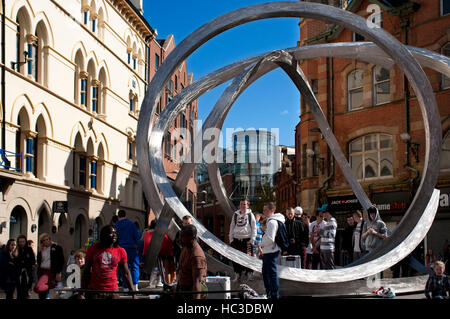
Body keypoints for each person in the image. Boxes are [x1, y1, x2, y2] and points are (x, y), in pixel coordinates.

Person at [82, 225, 136, 299]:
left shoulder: (121, 251)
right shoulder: (92, 249)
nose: (114, 235)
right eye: (111, 233)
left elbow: (126, 273)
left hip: (113, 291)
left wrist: (133, 293)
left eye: (116, 233)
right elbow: (86, 271)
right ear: (104, 235)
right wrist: (81, 292)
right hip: (95, 291)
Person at [260, 202, 285, 299]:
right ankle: (270, 294)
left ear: (272, 210)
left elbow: (270, 238)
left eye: (265, 210)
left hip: (271, 251)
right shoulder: (272, 221)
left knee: (271, 274)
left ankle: (273, 295)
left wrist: (260, 243)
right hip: (269, 251)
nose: (264, 212)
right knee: (267, 273)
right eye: (263, 210)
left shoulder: (272, 222)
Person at [176, 224, 207, 299]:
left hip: (193, 290)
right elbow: (181, 272)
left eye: (183, 236)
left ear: (192, 237)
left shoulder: (197, 256)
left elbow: (197, 282)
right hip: (184, 288)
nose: (180, 239)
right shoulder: (185, 247)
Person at [229, 200, 257, 281]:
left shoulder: (250, 215)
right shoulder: (235, 215)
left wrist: (252, 240)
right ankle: (237, 274)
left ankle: (249, 274)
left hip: (247, 240)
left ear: (248, 205)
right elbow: (232, 227)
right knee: (235, 258)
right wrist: (231, 239)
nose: (242, 206)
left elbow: (254, 228)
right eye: (241, 204)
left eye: (244, 204)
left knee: (248, 257)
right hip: (236, 240)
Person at [114, 209, 141, 291]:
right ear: (125, 216)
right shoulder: (131, 224)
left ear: (118, 216)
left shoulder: (116, 225)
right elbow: (137, 237)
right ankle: (135, 285)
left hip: (120, 249)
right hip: (131, 248)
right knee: (134, 267)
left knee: (123, 268)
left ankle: (125, 287)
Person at [143, 220, 175, 284]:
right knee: (161, 268)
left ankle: (153, 282)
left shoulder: (147, 233)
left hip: (148, 253)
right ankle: (160, 282)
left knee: (154, 269)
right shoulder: (161, 234)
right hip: (159, 253)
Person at [34, 233, 64, 299]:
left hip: (49, 271)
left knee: (37, 288)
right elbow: (39, 261)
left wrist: (58, 272)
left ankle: (54, 285)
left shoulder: (56, 247)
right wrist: (40, 249)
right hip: (41, 271)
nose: (45, 241)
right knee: (41, 292)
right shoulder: (41, 249)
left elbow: (61, 261)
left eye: (47, 239)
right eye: (43, 240)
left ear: (50, 239)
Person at [15, 235, 35, 299]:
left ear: (25, 242)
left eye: (23, 241)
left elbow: (32, 261)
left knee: (26, 293)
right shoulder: (17, 249)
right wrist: (22, 262)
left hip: (27, 274)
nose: (21, 243)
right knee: (19, 292)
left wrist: (24, 262)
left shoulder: (29, 249)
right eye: (20, 242)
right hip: (19, 273)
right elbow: (16, 261)